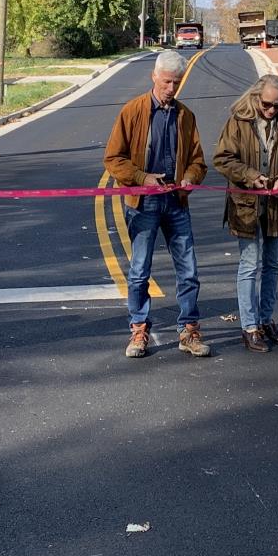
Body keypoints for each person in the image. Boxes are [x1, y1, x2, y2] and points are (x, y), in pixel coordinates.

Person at [104, 50, 210, 359]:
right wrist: (141, 177)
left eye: (176, 83)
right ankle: (139, 329)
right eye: (166, 82)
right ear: (154, 76)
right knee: (139, 271)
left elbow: (198, 161)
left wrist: (190, 177)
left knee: (188, 270)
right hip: (143, 204)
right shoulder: (133, 111)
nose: (171, 89)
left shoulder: (185, 116)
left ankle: (189, 330)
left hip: (176, 204)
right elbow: (113, 158)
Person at [213, 74, 278, 351]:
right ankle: (250, 326)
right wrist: (251, 176)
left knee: (273, 265)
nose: (270, 110)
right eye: (266, 104)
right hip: (245, 205)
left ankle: (266, 319)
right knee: (250, 265)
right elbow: (223, 158)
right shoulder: (238, 121)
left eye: (277, 105)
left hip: (277, 205)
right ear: (256, 97)